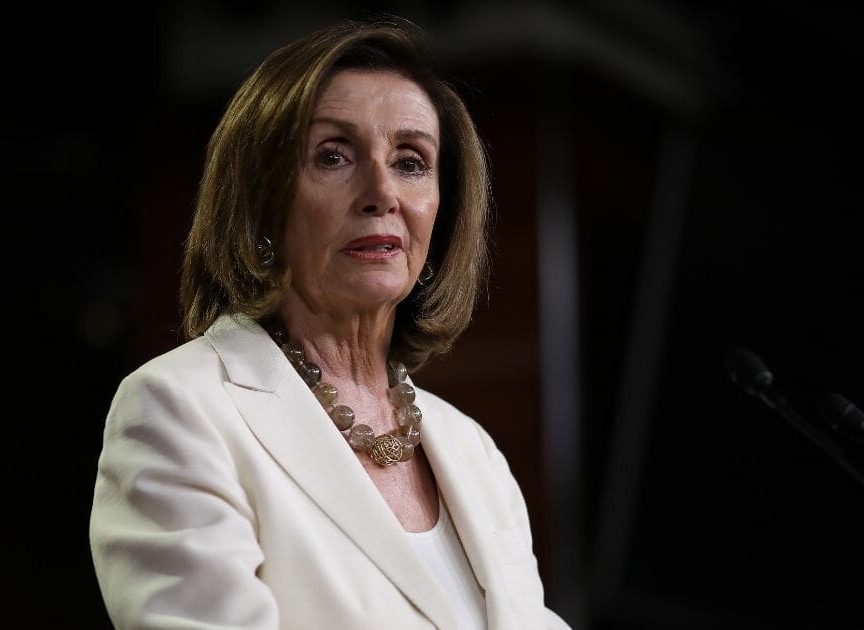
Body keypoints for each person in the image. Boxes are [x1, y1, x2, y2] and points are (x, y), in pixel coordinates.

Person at [89, 17, 570, 630]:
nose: (381, 192)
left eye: (411, 162)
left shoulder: (473, 451)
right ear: (261, 200)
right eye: (333, 156)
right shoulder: (180, 410)